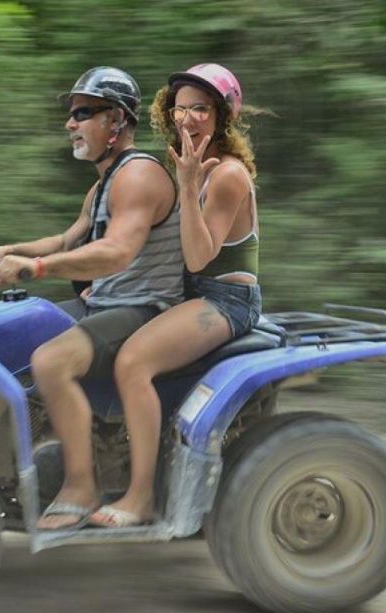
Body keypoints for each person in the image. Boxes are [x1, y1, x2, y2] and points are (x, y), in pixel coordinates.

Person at [0, 67, 183, 530]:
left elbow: (116, 252)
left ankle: (81, 484)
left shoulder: (139, 176)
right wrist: (6, 251)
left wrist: (34, 270)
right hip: (107, 303)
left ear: (115, 120)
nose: (69, 124)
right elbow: (66, 240)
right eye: (71, 114)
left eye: (82, 113)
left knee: (51, 361)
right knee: (11, 330)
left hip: (143, 308)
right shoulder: (104, 182)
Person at [89, 63, 263, 528]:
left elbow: (199, 257)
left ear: (223, 116)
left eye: (201, 109)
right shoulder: (183, 163)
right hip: (184, 293)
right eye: (180, 108)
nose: (187, 119)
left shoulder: (226, 175)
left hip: (224, 300)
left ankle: (140, 497)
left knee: (132, 361)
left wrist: (187, 184)